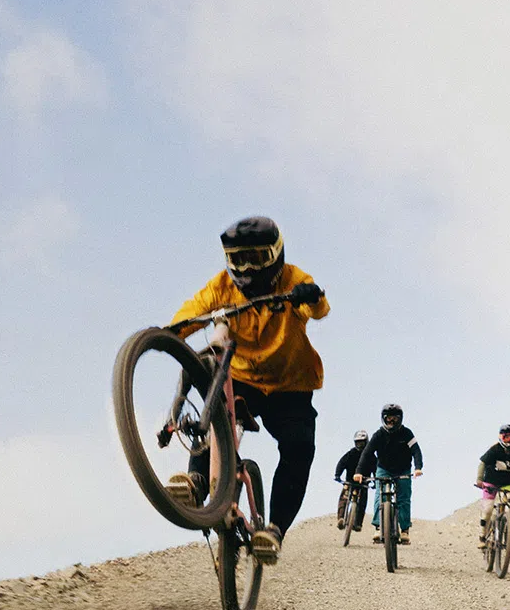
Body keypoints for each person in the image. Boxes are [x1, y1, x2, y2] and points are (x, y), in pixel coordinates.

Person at [167, 216, 329, 565]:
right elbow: (190, 315)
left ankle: (273, 530)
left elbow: (319, 309)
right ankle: (196, 480)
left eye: (256, 258)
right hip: (243, 378)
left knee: (299, 447)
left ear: (276, 255)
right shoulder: (222, 286)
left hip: (290, 385)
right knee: (213, 411)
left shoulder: (293, 280)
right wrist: (165, 335)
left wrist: (311, 296)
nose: (247, 268)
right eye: (239, 259)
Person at [353, 404, 422, 544]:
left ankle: (404, 530)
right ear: (383, 419)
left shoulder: (407, 433)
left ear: (400, 419)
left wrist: (418, 468)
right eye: (389, 418)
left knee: (404, 497)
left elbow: (416, 451)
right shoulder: (378, 435)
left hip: (403, 470)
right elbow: (366, 453)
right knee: (379, 495)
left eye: (395, 419)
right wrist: (359, 472)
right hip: (384, 468)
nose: (392, 422)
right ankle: (378, 527)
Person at [333, 430, 371, 530]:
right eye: (358, 442)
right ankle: (341, 519)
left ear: (366, 442)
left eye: (362, 442)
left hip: (363, 483)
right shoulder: (350, 453)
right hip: (349, 482)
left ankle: (358, 523)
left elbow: (375, 468)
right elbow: (341, 464)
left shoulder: (370, 456)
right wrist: (337, 475)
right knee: (344, 498)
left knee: (362, 502)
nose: (360, 444)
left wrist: (375, 480)